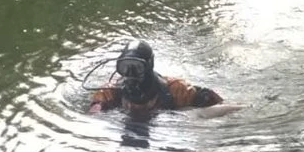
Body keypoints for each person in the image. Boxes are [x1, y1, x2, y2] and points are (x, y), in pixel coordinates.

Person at [88, 39, 244, 117]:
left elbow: (217, 104)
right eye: (124, 67)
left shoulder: (177, 90)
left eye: (137, 67)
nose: (130, 73)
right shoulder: (109, 92)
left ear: (149, 65)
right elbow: (94, 113)